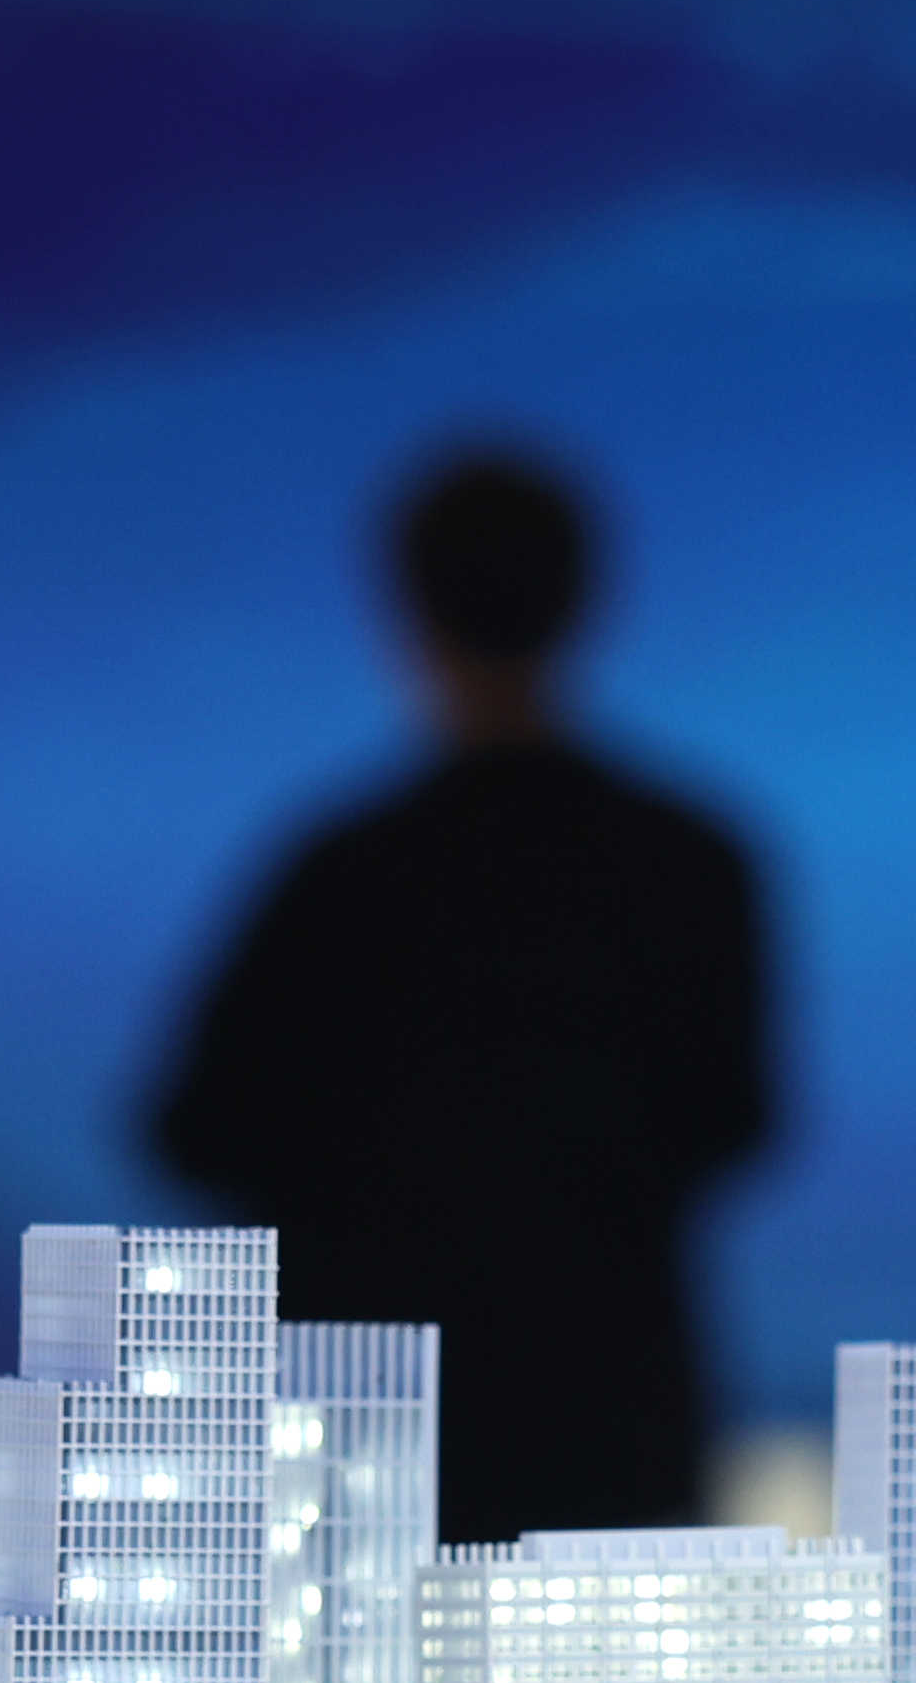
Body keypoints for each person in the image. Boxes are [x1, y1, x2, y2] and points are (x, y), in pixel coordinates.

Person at [151, 444, 775, 1544]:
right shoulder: (692, 862)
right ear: (585, 602)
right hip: (609, 1421)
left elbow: (196, 1129)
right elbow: (736, 1119)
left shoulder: (341, 876)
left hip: (371, 1440)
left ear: (406, 616)